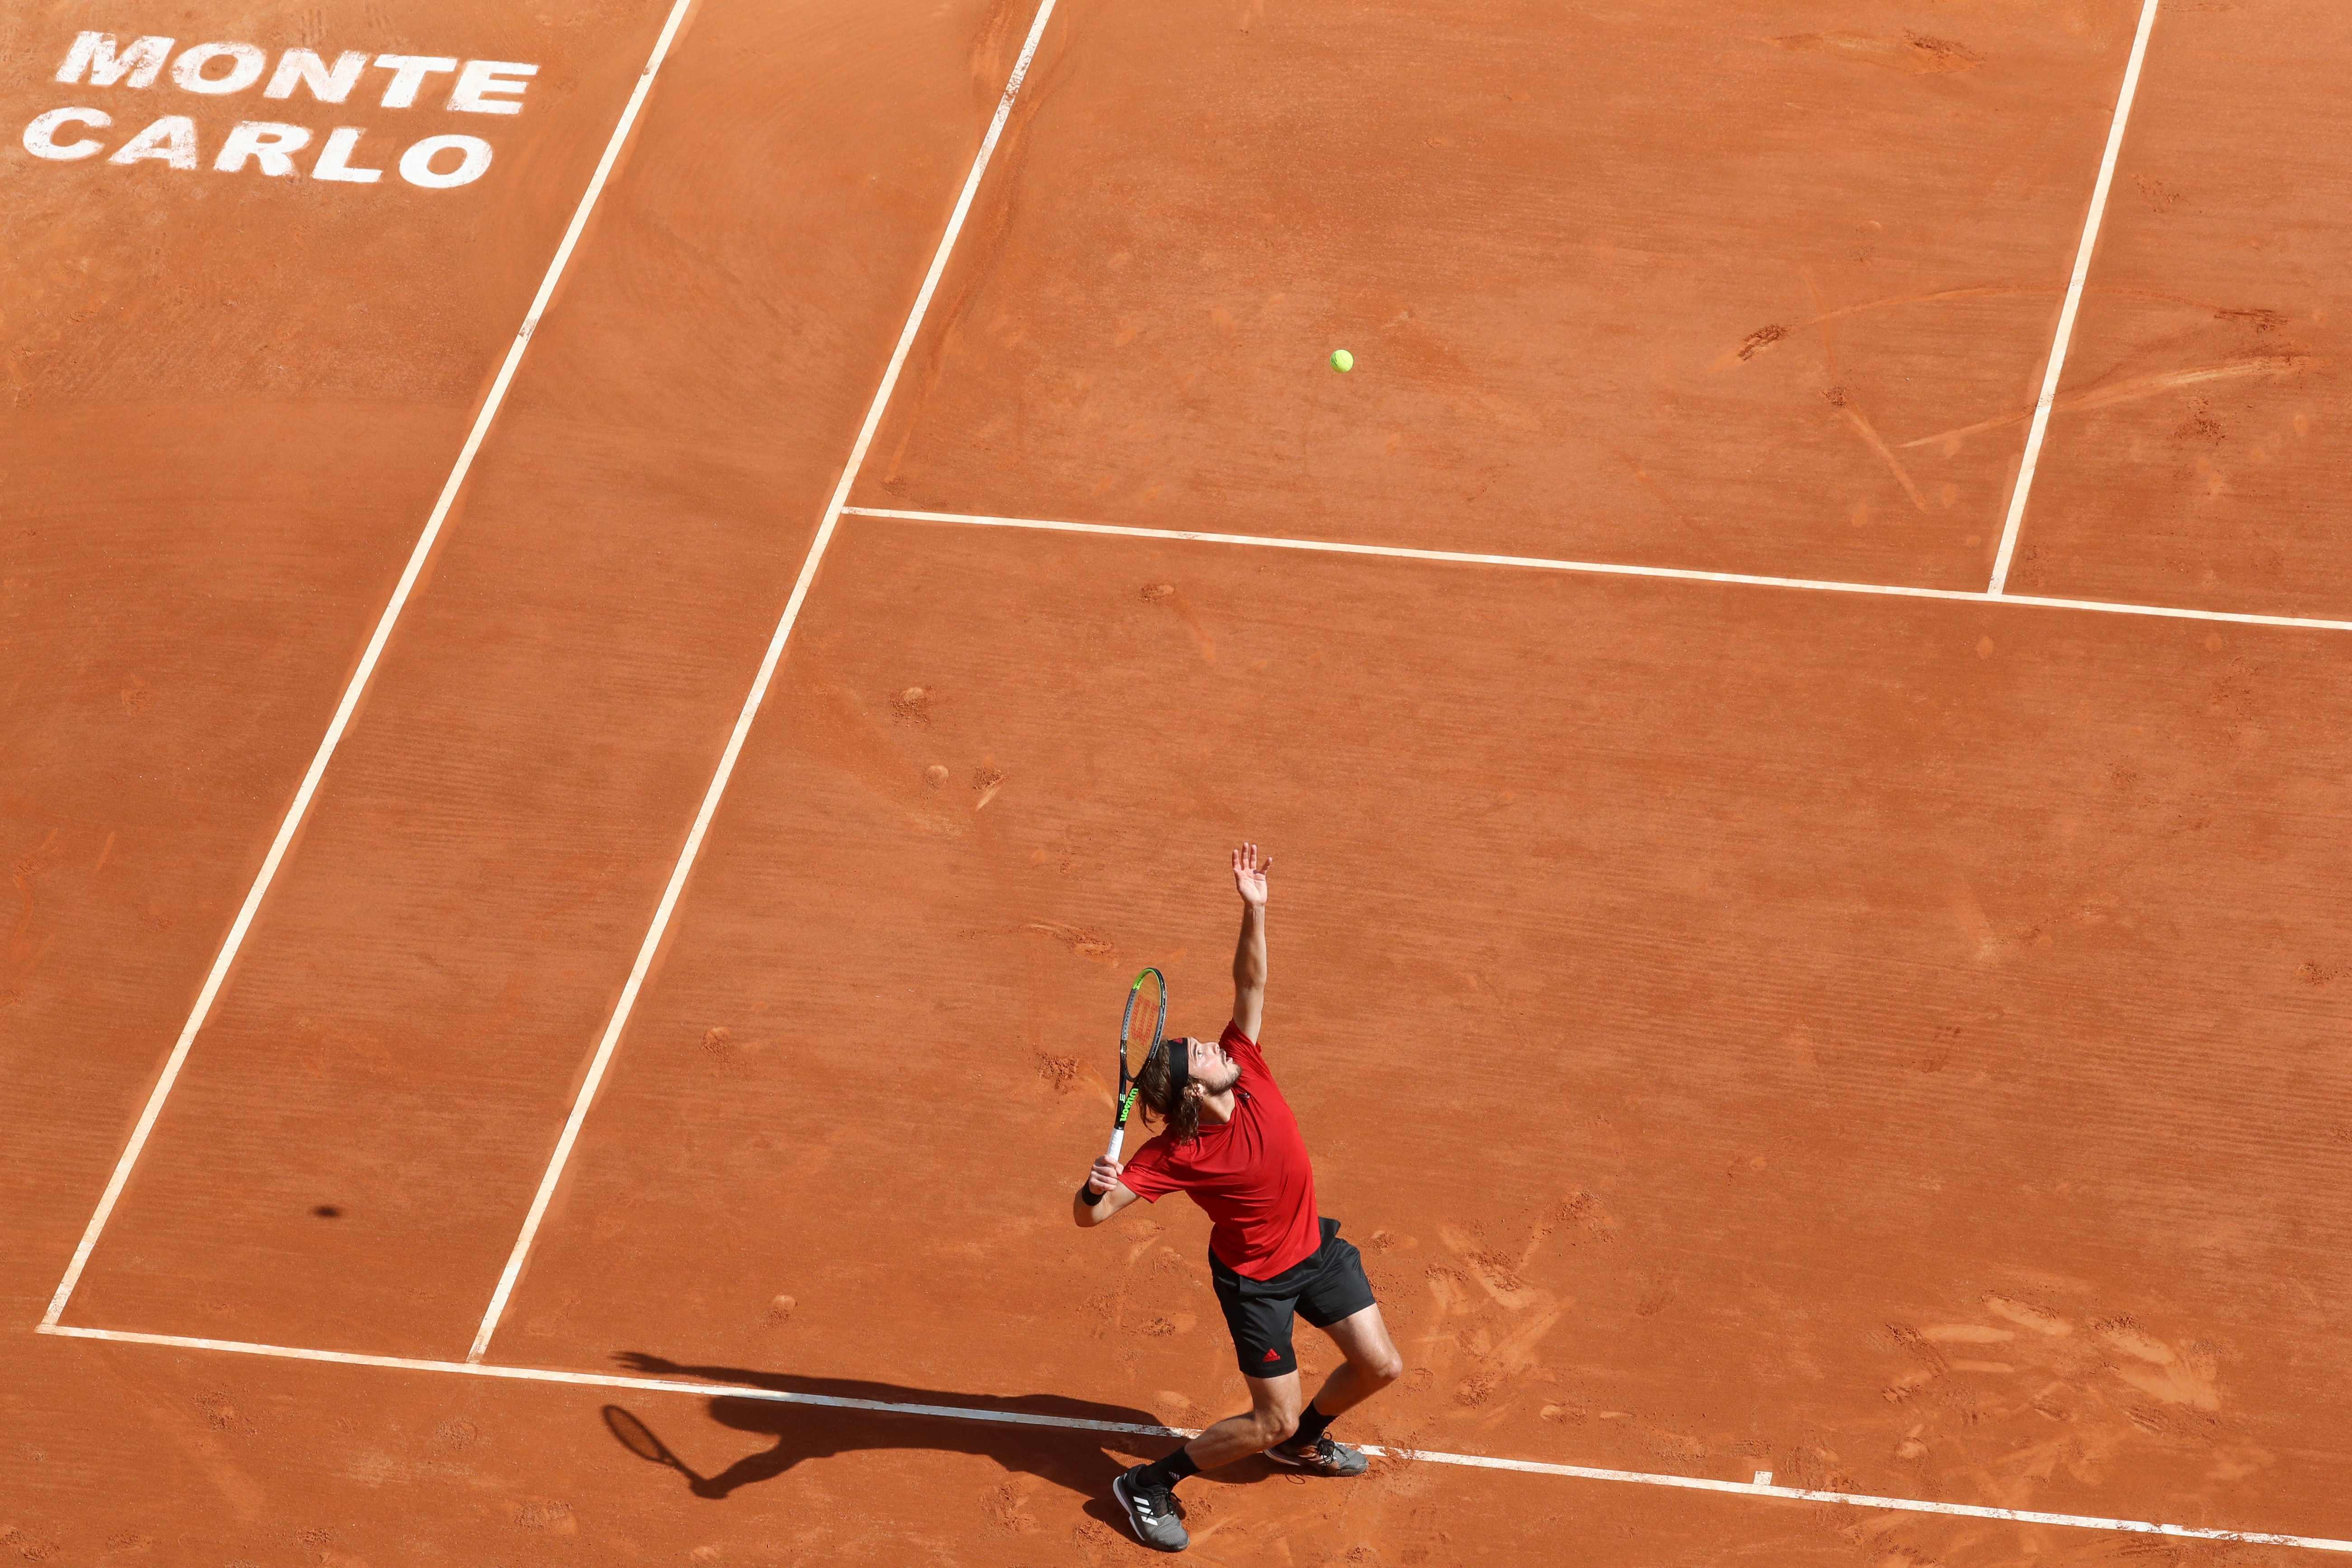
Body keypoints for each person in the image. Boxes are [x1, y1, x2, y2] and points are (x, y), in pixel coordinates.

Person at [1074, 843, 1405, 1552]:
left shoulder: (1246, 1068)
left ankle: (1304, 1445)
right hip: (1257, 1281)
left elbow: (1248, 985)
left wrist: (1253, 911)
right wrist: (1093, 1183)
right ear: (1195, 1090)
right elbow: (1092, 1216)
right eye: (1203, 1053)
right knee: (1270, 1419)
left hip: (1315, 1249)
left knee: (1379, 1367)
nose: (1219, 1048)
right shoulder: (1175, 1154)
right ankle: (1148, 1484)